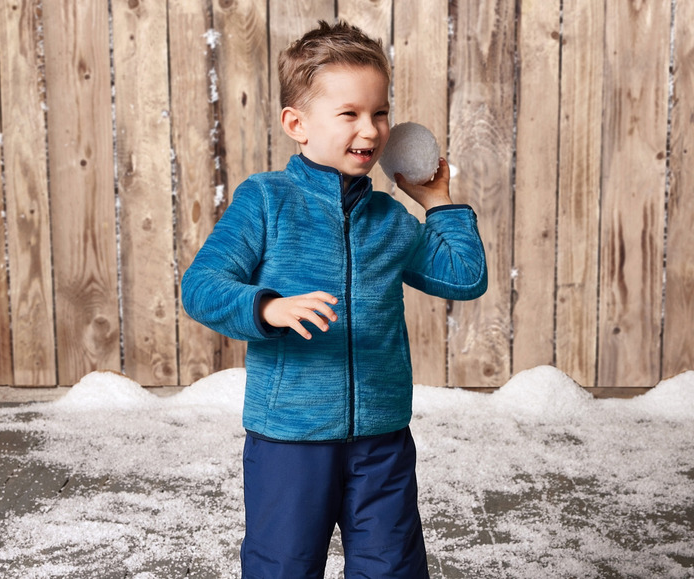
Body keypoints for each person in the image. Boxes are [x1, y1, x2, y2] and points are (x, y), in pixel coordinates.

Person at [181, 20, 487, 579]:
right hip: (290, 439)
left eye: (379, 112)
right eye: (349, 114)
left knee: (392, 568)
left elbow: (465, 276)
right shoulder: (266, 201)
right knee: (283, 568)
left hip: (381, 438)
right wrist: (268, 309)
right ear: (297, 124)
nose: (369, 130)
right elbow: (201, 287)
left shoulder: (391, 220)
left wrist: (439, 202)